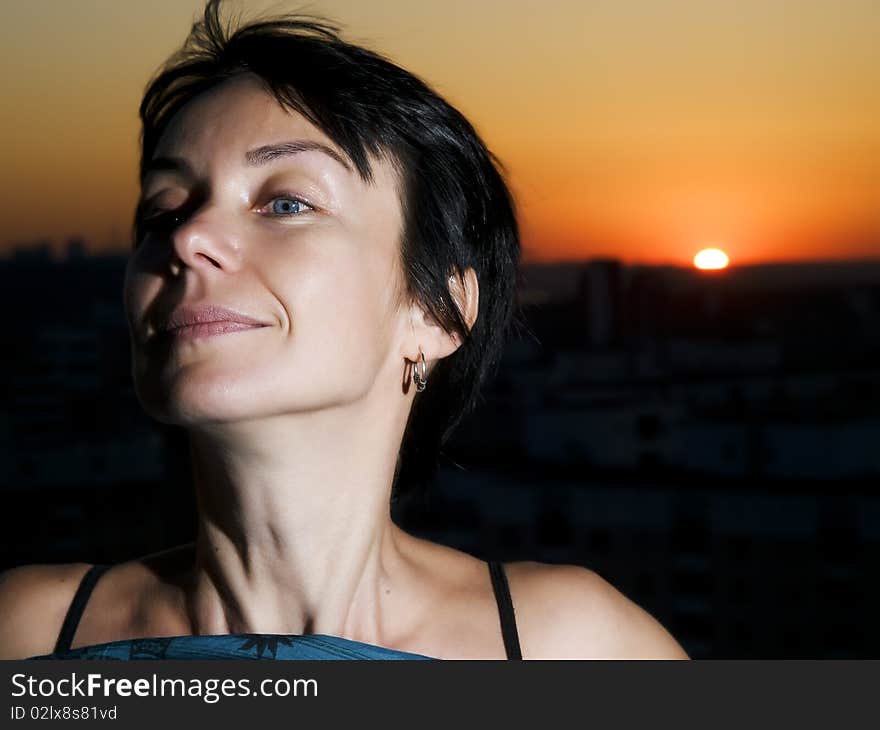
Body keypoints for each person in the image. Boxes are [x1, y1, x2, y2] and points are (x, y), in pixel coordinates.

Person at [0, 0, 688, 660]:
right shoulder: (28, 638)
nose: (189, 236)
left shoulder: (570, 654)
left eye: (286, 202)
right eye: (162, 212)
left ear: (436, 311)